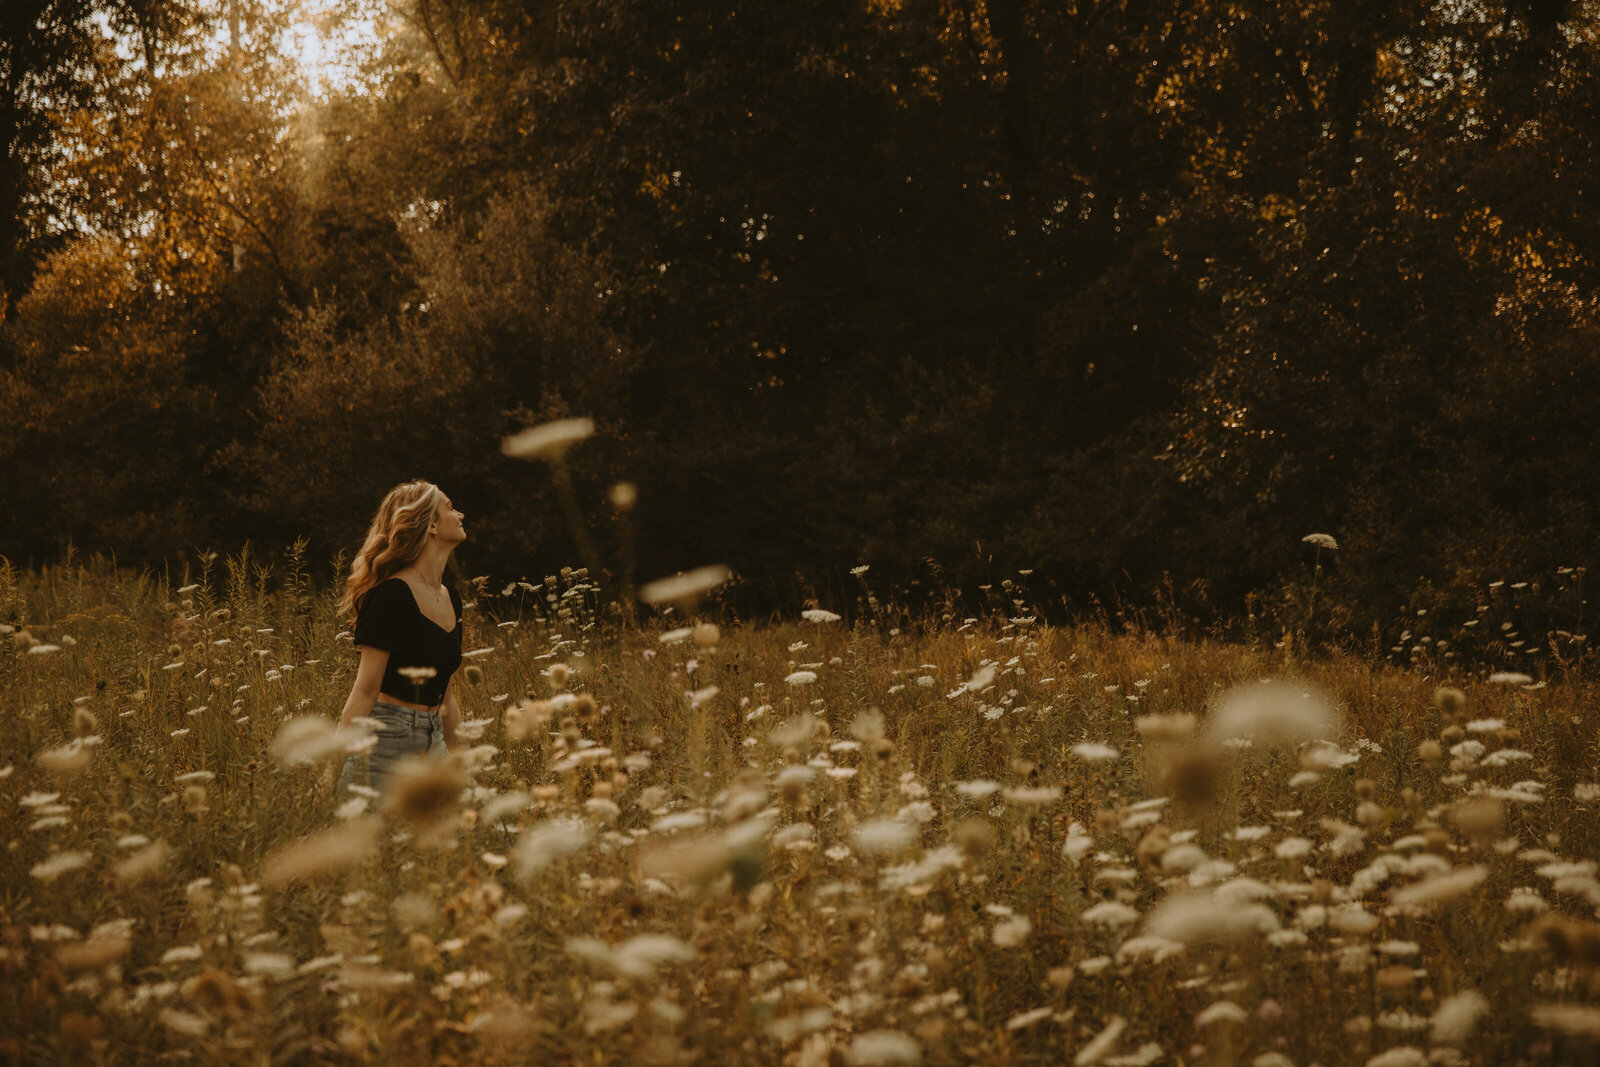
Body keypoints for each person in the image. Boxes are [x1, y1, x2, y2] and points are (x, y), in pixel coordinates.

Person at [331, 480, 467, 792]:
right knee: (369, 833)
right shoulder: (391, 595)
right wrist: (332, 768)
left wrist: (461, 762)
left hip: (434, 739)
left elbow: (446, 696)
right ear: (431, 525)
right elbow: (365, 690)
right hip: (387, 737)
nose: (460, 514)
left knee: (469, 825)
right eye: (450, 507)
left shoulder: (451, 598)